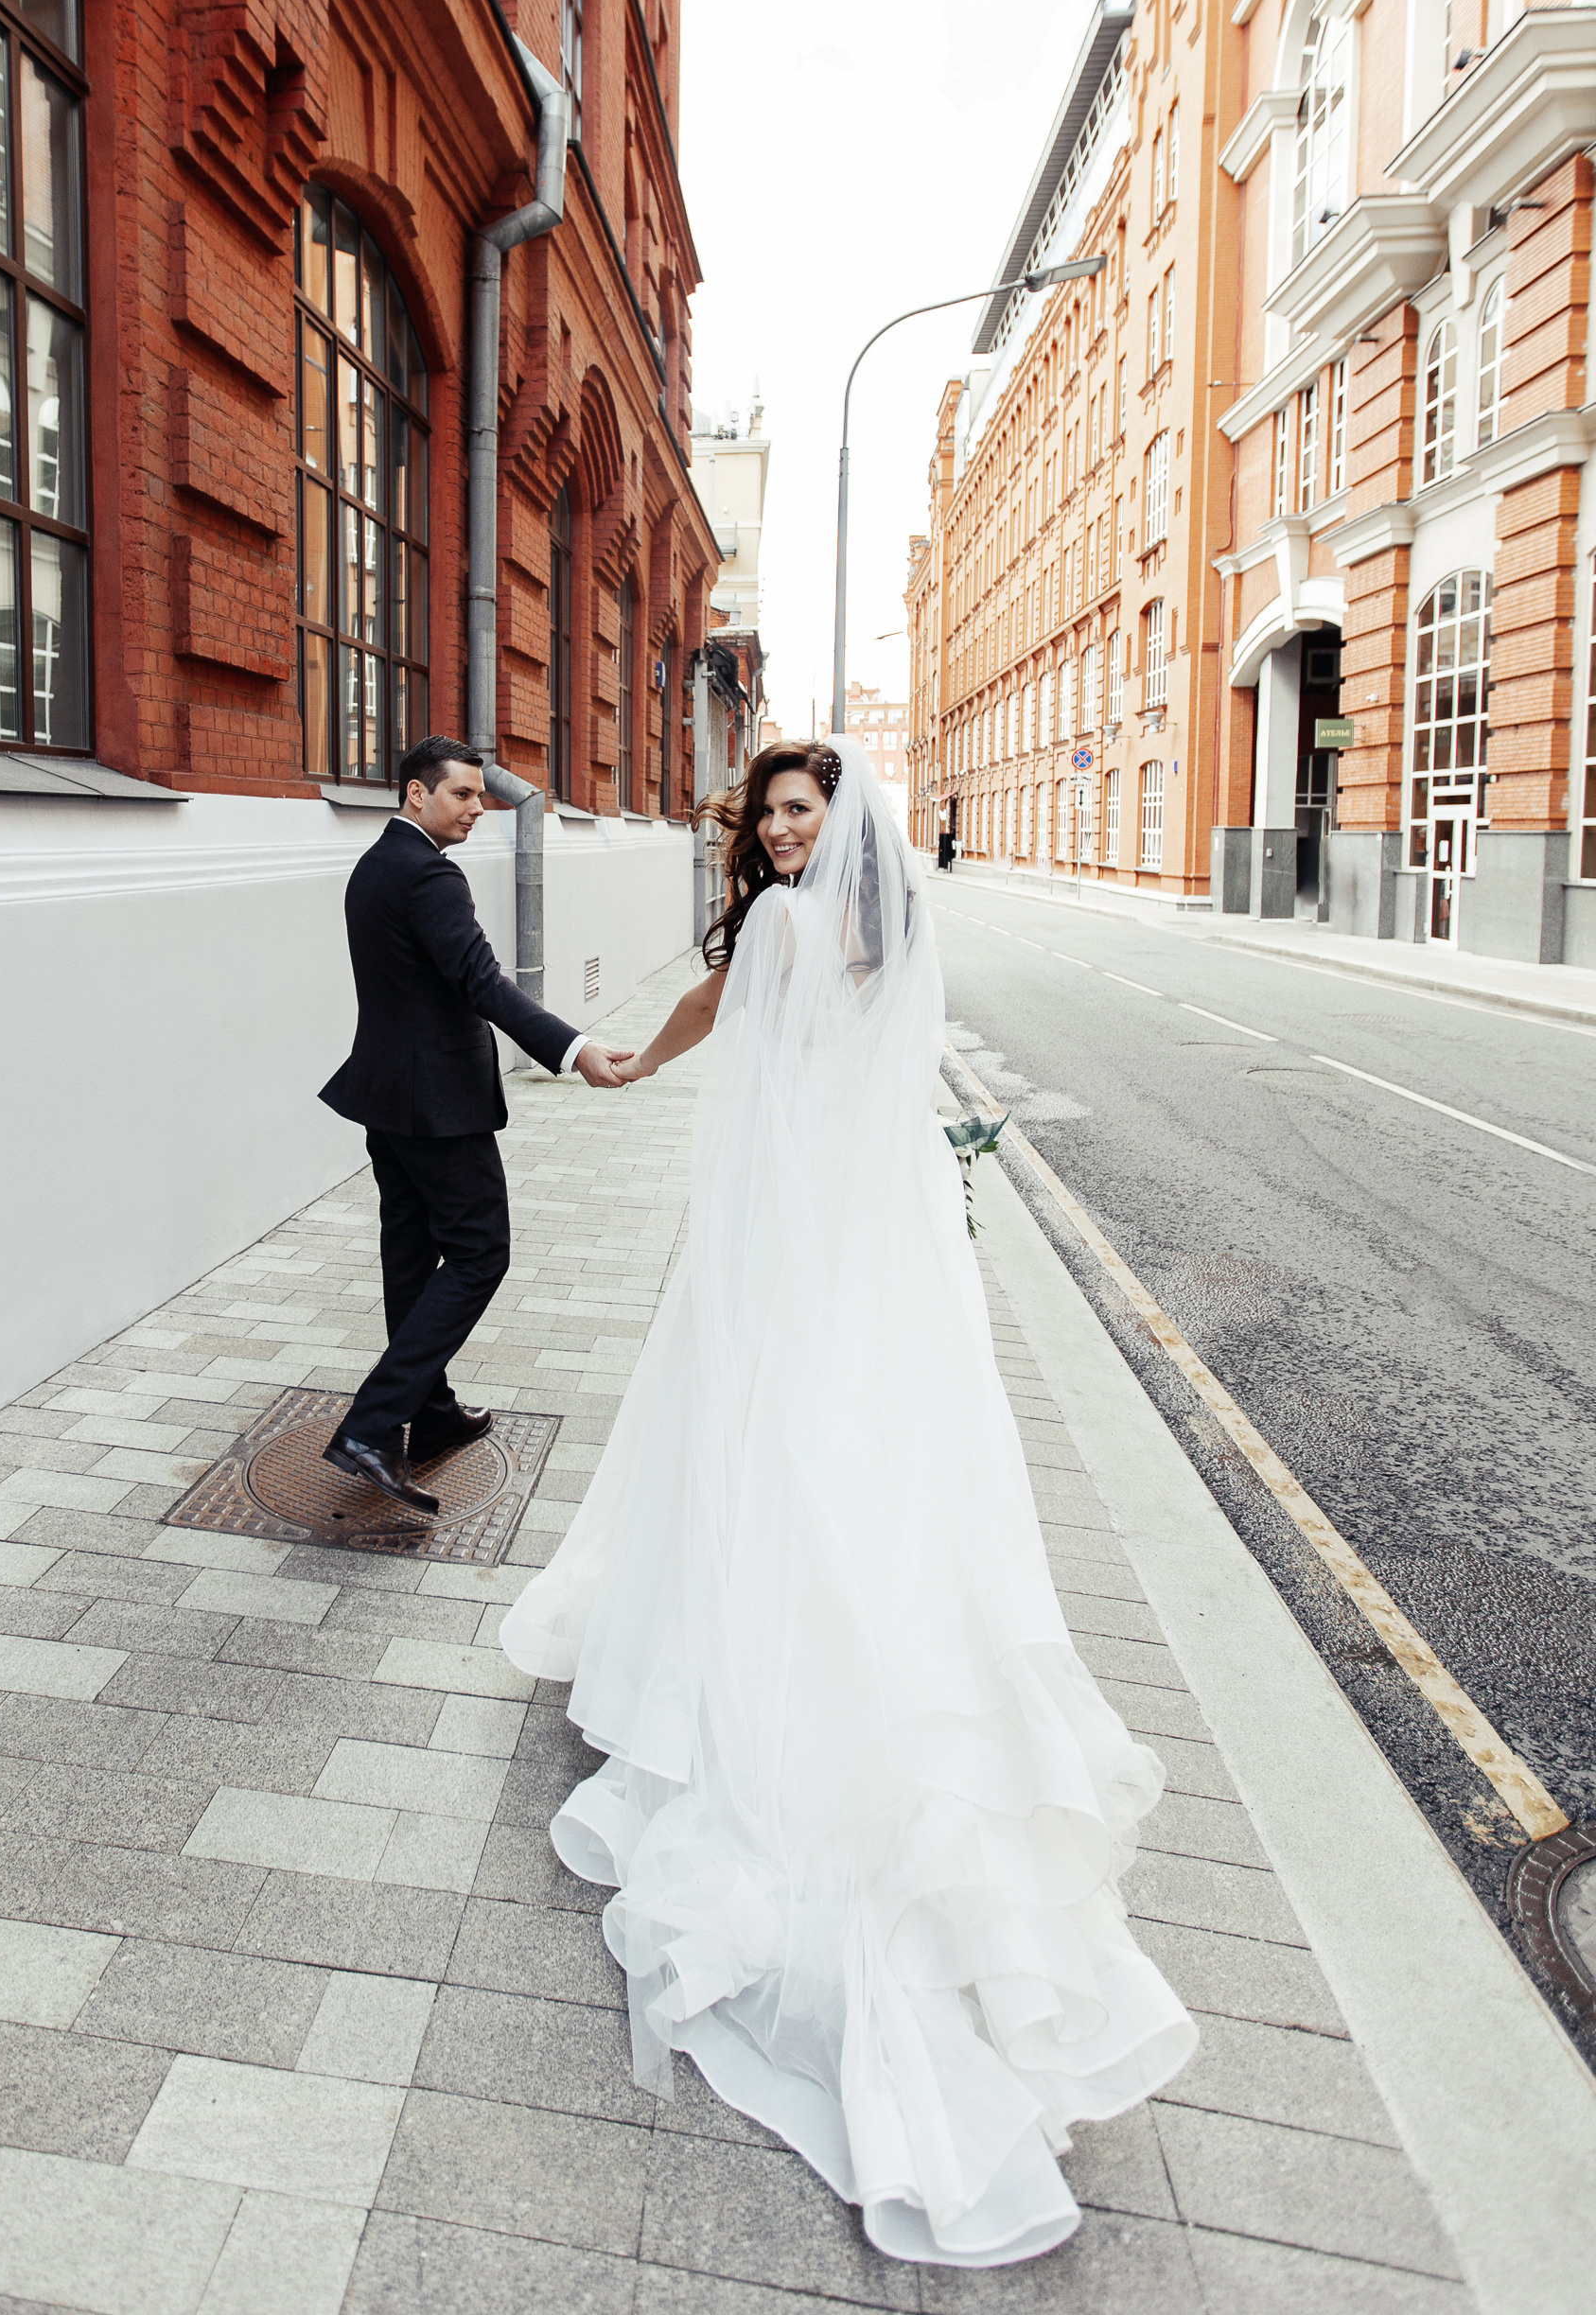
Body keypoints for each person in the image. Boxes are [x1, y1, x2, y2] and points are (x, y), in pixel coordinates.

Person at [500, 737, 1195, 2267]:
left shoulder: (776, 924)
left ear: (836, 821)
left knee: (751, 1440)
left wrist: (631, 1061)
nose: (784, 829)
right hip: (867, 1245)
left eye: (802, 810)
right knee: (849, 1455)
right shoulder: (887, 931)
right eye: (770, 812)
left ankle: (731, 1662)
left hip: (785, 1238)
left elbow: (703, 1013)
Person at [319, 736, 633, 1517]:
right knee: (479, 1252)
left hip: (388, 1095)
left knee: (409, 1253)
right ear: (416, 795)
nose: (478, 808)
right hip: (436, 1105)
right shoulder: (429, 875)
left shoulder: (375, 865)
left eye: (480, 795)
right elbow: (481, 981)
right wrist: (573, 1047)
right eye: (461, 794)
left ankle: (426, 1411)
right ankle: (370, 1425)